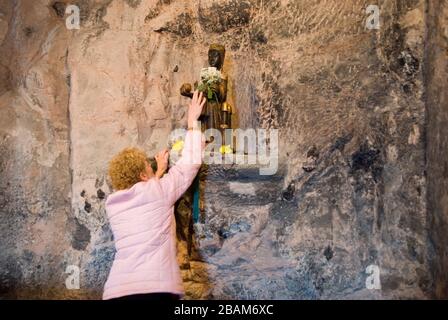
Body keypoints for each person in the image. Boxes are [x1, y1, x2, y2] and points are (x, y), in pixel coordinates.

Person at [102, 91, 206, 300]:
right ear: (142, 175)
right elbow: (189, 164)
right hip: (154, 288)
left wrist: (158, 173)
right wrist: (192, 121)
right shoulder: (157, 192)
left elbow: (146, 196)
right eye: (148, 168)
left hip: (117, 290)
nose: (152, 170)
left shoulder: (114, 206)